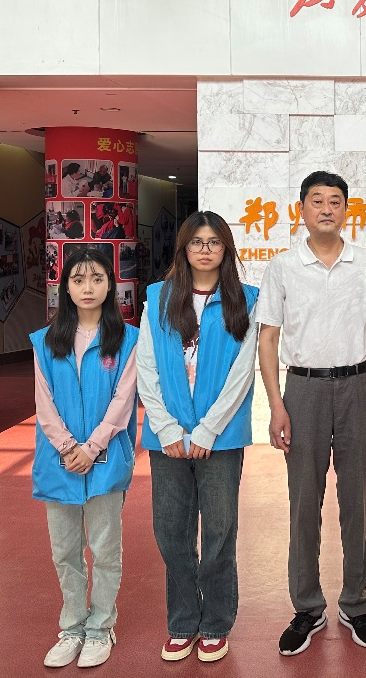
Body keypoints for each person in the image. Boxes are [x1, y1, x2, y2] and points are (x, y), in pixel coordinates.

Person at [257, 171, 366, 656]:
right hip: (304, 390)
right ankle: (307, 607)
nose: (327, 209)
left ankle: (356, 603)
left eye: (335, 201)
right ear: (302, 210)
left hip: (358, 386)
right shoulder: (282, 267)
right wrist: (276, 404)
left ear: (346, 210)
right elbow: (268, 338)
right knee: (304, 501)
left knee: (357, 500)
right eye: (317, 201)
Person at [137, 211, 259, 664]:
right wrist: (166, 427)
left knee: (220, 532)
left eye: (214, 242)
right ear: (184, 248)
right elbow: (146, 366)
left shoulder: (247, 299)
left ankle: (215, 624)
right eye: (196, 242)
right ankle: (183, 621)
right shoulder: (159, 297)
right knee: (171, 531)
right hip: (167, 438)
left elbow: (243, 372)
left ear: (226, 249)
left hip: (220, 438)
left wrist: (208, 429)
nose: (205, 250)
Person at [31, 247, 138, 669]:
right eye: (78, 280)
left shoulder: (128, 340)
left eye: (96, 279)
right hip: (59, 463)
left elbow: (123, 402)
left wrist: (91, 448)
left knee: (106, 550)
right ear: (66, 288)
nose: (87, 287)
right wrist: (66, 447)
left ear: (110, 285)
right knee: (65, 552)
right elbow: (44, 405)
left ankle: (100, 628)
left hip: (105, 460)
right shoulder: (45, 342)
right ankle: (72, 628)